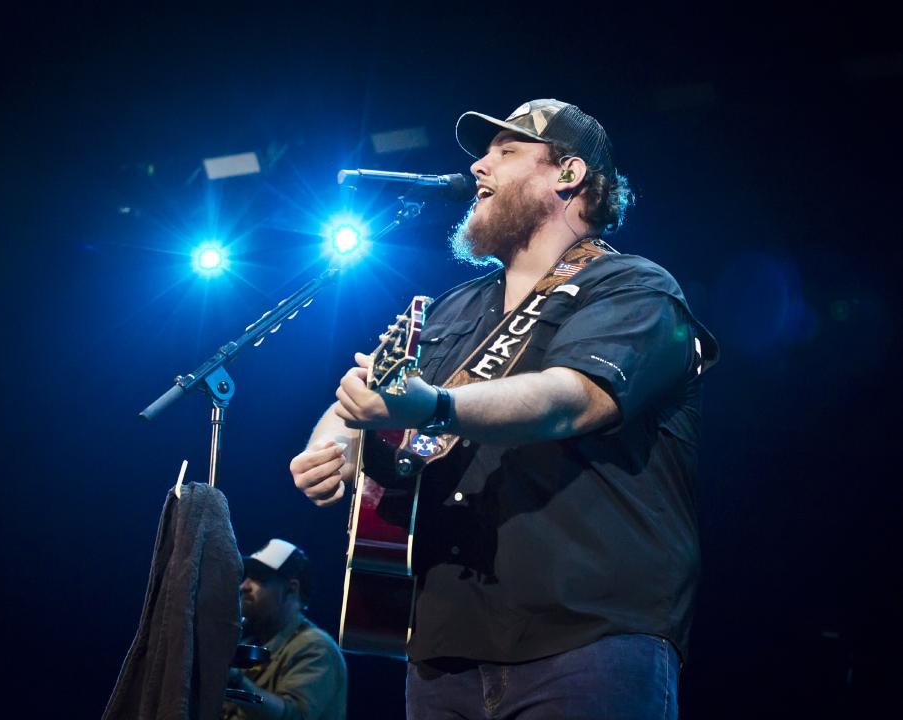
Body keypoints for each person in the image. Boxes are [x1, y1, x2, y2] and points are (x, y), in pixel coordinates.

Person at [289, 98, 719, 720]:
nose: (478, 167)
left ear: (568, 174)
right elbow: (361, 393)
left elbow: (573, 398)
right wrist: (335, 445)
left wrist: (435, 405)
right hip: (442, 649)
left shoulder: (633, 287)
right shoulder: (446, 310)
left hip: (587, 636)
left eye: (506, 151)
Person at [223, 539, 347, 720]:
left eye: (259, 577)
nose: (244, 586)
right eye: (246, 576)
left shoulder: (316, 647)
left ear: (291, 589)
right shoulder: (249, 643)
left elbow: (294, 715)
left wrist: (236, 683)